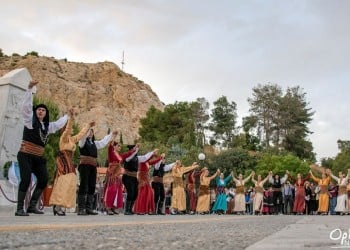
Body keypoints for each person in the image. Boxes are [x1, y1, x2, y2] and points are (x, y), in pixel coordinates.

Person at [16, 80, 68, 216]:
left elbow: (58, 124)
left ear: (46, 113)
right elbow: (26, 107)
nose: (41, 111)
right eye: (39, 109)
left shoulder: (47, 127)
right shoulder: (29, 121)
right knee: (26, 180)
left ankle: (32, 205)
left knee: (44, 179)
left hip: (38, 157)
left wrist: (68, 115)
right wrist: (29, 89)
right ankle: (19, 208)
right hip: (25, 154)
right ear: (36, 111)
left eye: (43, 110)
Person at [49, 108, 93, 216]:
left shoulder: (72, 140)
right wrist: (71, 119)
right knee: (63, 183)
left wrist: (88, 126)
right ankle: (58, 206)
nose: (72, 129)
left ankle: (61, 206)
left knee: (71, 182)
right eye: (70, 128)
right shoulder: (63, 138)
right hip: (63, 161)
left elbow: (81, 134)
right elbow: (68, 129)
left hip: (69, 162)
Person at [77, 127, 117, 215]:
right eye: (88, 131)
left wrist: (111, 135)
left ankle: (89, 208)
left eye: (91, 131)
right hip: (84, 166)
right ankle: (81, 208)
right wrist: (86, 129)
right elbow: (83, 137)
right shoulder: (82, 142)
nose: (90, 133)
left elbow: (103, 142)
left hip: (92, 166)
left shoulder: (95, 143)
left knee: (91, 185)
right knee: (84, 185)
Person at [103, 140, 137, 215]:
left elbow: (127, 154)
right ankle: (108, 207)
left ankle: (113, 207)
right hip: (112, 174)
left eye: (120, 146)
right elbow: (109, 148)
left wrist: (135, 149)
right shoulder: (111, 153)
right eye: (118, 145)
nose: (120, 147)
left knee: (117, 191)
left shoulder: (119, 155)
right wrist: (113, 139)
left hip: (117, 175)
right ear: (114, 146)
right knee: (111, 190)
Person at [122, 145, 155, 215]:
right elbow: (131, 156)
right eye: (134, 149)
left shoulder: (137, 158)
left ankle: (130, 209)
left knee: (135, 193)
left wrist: (152, 152)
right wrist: (136, 149)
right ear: (131, 150)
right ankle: (126, 210)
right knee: (130, 193)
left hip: (134, 177)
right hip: (127, 176)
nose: (135, 150)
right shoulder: (127, 157)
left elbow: (145, 157)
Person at [133, 150, 161, 215]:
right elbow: (149, 158)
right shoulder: (143, 162)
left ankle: (147, 209)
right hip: (142, 178)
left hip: (146, 178)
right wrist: (153, 153)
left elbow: (154, 161)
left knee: (149, 193)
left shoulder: (147, 162)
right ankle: (140, 209)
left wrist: (160, 157)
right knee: (142, 193)